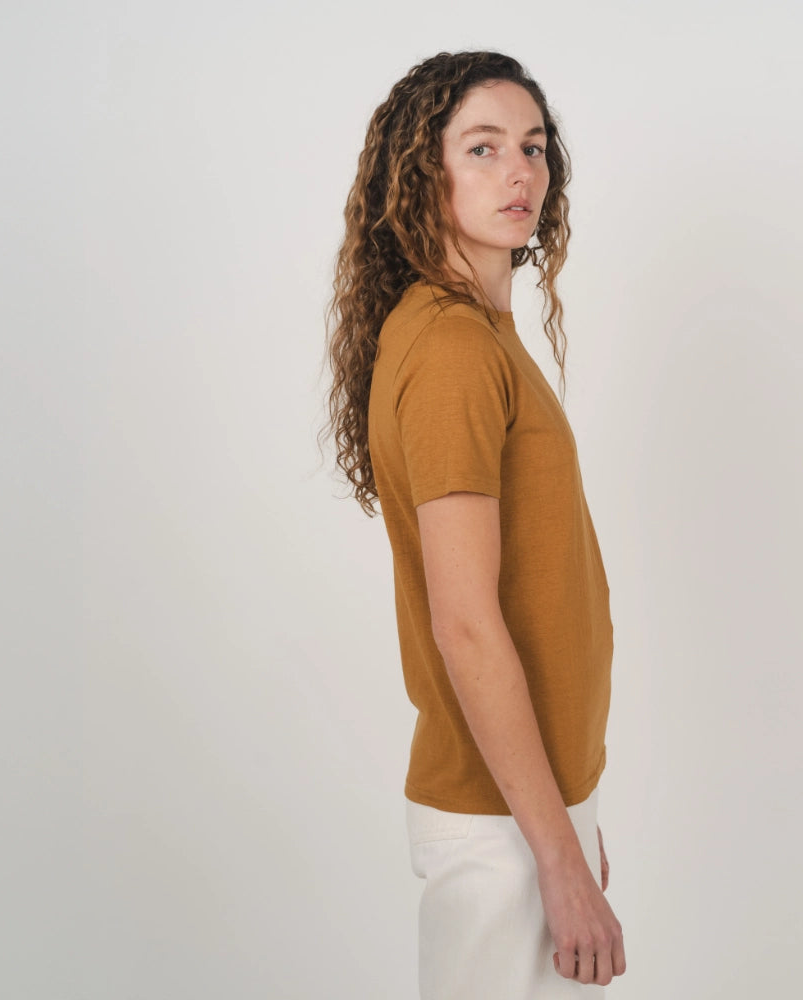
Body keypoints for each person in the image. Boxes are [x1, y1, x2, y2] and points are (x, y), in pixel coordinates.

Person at [325, 51, 625, 998]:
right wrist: (555, 853)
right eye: (483, 148)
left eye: (532, 147)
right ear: (424, 172)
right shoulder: (453, 346)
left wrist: (566, 819)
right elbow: (464, 621)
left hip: (527, 811)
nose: (519, 172)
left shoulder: (475, 332)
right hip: (502, 828)